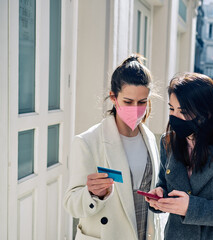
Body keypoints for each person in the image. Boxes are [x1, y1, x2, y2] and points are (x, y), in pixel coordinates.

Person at [146, 72, 213, 240]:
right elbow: (166, 186)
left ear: (206, 113)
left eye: (183, 111)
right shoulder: (168, 141)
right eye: (171, 108)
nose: (175, 116)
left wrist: (191, 208)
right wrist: (160, 198)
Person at [64, 54, 161, 240]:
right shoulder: (87, 142)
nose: (136, 108)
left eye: (142, 102)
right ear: (113, 97)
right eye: (128, 101)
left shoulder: (149, 138)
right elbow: (71, 204)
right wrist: (92, 194)